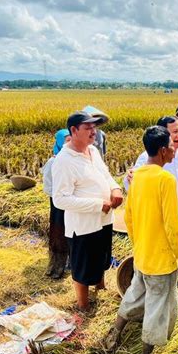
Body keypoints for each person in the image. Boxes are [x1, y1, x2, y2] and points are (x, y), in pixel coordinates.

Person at [103, 126, 178, 354]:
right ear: (163, 151)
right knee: (158, 307)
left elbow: (129, 217)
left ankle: (116, 331)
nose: (175, 149)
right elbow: (173, 228)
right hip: (162, 260)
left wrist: (139, 245)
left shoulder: (138, 175)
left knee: (134, 294)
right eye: (172, 146)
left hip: (142, 255)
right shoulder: (166, 179)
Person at [125, 116, 178, 300]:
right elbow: (132, 184)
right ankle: (167, 293)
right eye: (174, 132)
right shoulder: (146, 159)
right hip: (165, 221)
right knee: (168, 259)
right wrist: (128, 177)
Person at [52, 111, 123, 311]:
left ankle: (101, 288)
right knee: (83, 267)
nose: (94, 132)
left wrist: (115, 188)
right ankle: (83, 306)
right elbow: (60, 199)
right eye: (88, 128)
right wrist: (97, 204)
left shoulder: (93, 151)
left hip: (104, 219)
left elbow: (106, 175)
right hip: (83, 225)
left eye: (94, 127)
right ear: (73, 130)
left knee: (101, 257)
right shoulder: (64, 160)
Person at [42, 129, 71, 279]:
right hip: (58, 204)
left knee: (72, 232)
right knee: (59, 233)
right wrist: (60, 195)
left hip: (71, 203)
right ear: (59, 142)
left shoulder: (71, 159)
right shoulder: (53, 161)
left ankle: (71, 263)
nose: (69, 142)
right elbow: (48, 187)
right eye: (66, 140)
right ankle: (57, 267)